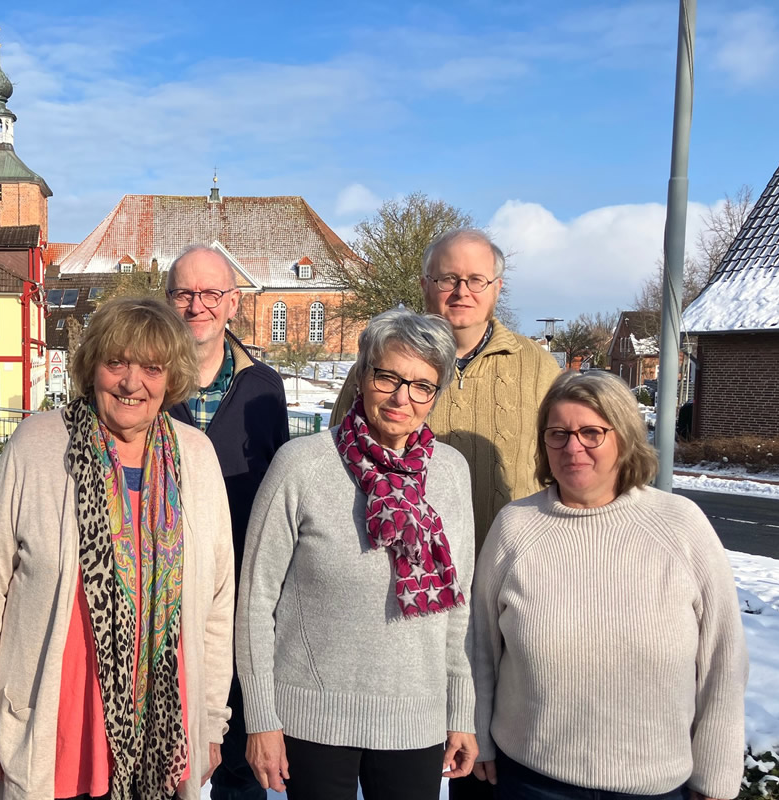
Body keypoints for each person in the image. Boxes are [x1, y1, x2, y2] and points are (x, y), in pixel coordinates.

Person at [0, 297, 235, 799]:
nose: (132, 383)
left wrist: (212, 720)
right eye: (116, 363)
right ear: (92, 367)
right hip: (56, 733)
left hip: (164, 739)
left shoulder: (197, 457)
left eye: (152, 368)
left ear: (171, 378)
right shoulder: (37, 446)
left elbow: (216, 605)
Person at [471, 371, 748, 800]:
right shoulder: (516, 526)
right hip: (532, 777)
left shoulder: (680, 525)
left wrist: (716, 775)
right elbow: (480, 646)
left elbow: (723, 656)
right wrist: (477, 735)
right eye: (558, 434)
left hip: (653, 784)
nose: (572, 447)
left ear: (625, 437)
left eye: (591, 433)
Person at [237, 309, 478, 800]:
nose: (402, 398)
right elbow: (255, 601)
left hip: (415, 720)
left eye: (421, 386)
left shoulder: (451, 472)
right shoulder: (301, 465)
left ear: (435, 394)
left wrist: (462, 712)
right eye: (388, 377)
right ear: (363, 374)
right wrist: (260, 717)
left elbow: (459, 607)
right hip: (313, 722)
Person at [330, 228, 561, 551]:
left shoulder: (539, 367)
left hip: (512, 557)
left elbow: (560, 467)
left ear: (497, 288)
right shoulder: (378, 365)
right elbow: (336, 455)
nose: (462, 292)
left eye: (477, 280)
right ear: (425, 284)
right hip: (401, 559)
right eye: (448, 279)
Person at [164, 244, 290, 800]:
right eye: (184, 294)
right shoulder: (146, 382)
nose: (198, 306)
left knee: (238, 760)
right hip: (160, 588)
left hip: (238, 594)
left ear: (233, 303)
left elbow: (279, 486)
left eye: (211, 293)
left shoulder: (264, 388)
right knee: (162, 755)